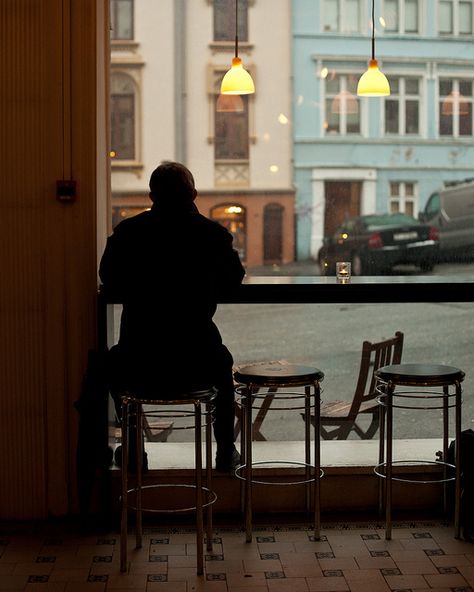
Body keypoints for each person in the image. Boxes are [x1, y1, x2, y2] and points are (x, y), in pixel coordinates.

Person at [99, 161, 245, 472]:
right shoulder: (214, 235)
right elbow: (234, 280)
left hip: (140, 360)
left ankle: (134, 450)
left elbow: (109, 279)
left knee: (111, 362)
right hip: (197, 359)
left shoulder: (128, 232)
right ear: (193, 193)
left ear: (151, 196)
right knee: (222, 363)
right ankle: (224, 452)